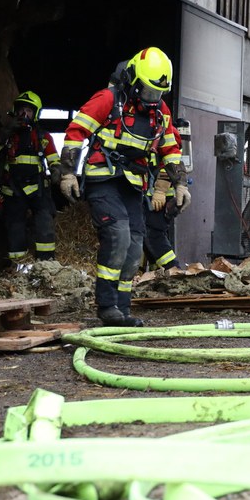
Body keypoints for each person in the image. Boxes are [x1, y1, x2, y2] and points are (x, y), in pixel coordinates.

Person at [57, 47, 189, 326]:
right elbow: (76, 132)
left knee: (134, 248)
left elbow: (171, 148)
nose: (153, 100)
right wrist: (67, 174)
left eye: (159, 94)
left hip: (134, 183)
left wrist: (180, 184)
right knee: (118, 236)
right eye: (149, 92)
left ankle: (122, 309)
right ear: (133, 80)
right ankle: (106, 306)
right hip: (103, 178)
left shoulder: (160, 112)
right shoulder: (108, 99)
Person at [0, 90, 59, 269]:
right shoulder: (7, 135)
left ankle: (47, 266)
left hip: (39, 190)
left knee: (45, 226)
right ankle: (19, 268)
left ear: (36, 114)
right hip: (13, 191)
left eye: (29, 111)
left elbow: (54, 161)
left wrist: (58, 173)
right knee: (15, 228)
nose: (23, 114)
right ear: (14, 111)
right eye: (20, 110)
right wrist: (6, 130)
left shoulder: (43, 137)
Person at [143, 105, 191, 272]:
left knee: (153, 235)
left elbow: (170, 162)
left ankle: (174, 271)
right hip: (155, 196)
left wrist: (161, 190)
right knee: (147, 237)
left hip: (166, 196)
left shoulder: (168, 134)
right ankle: (158, 275)